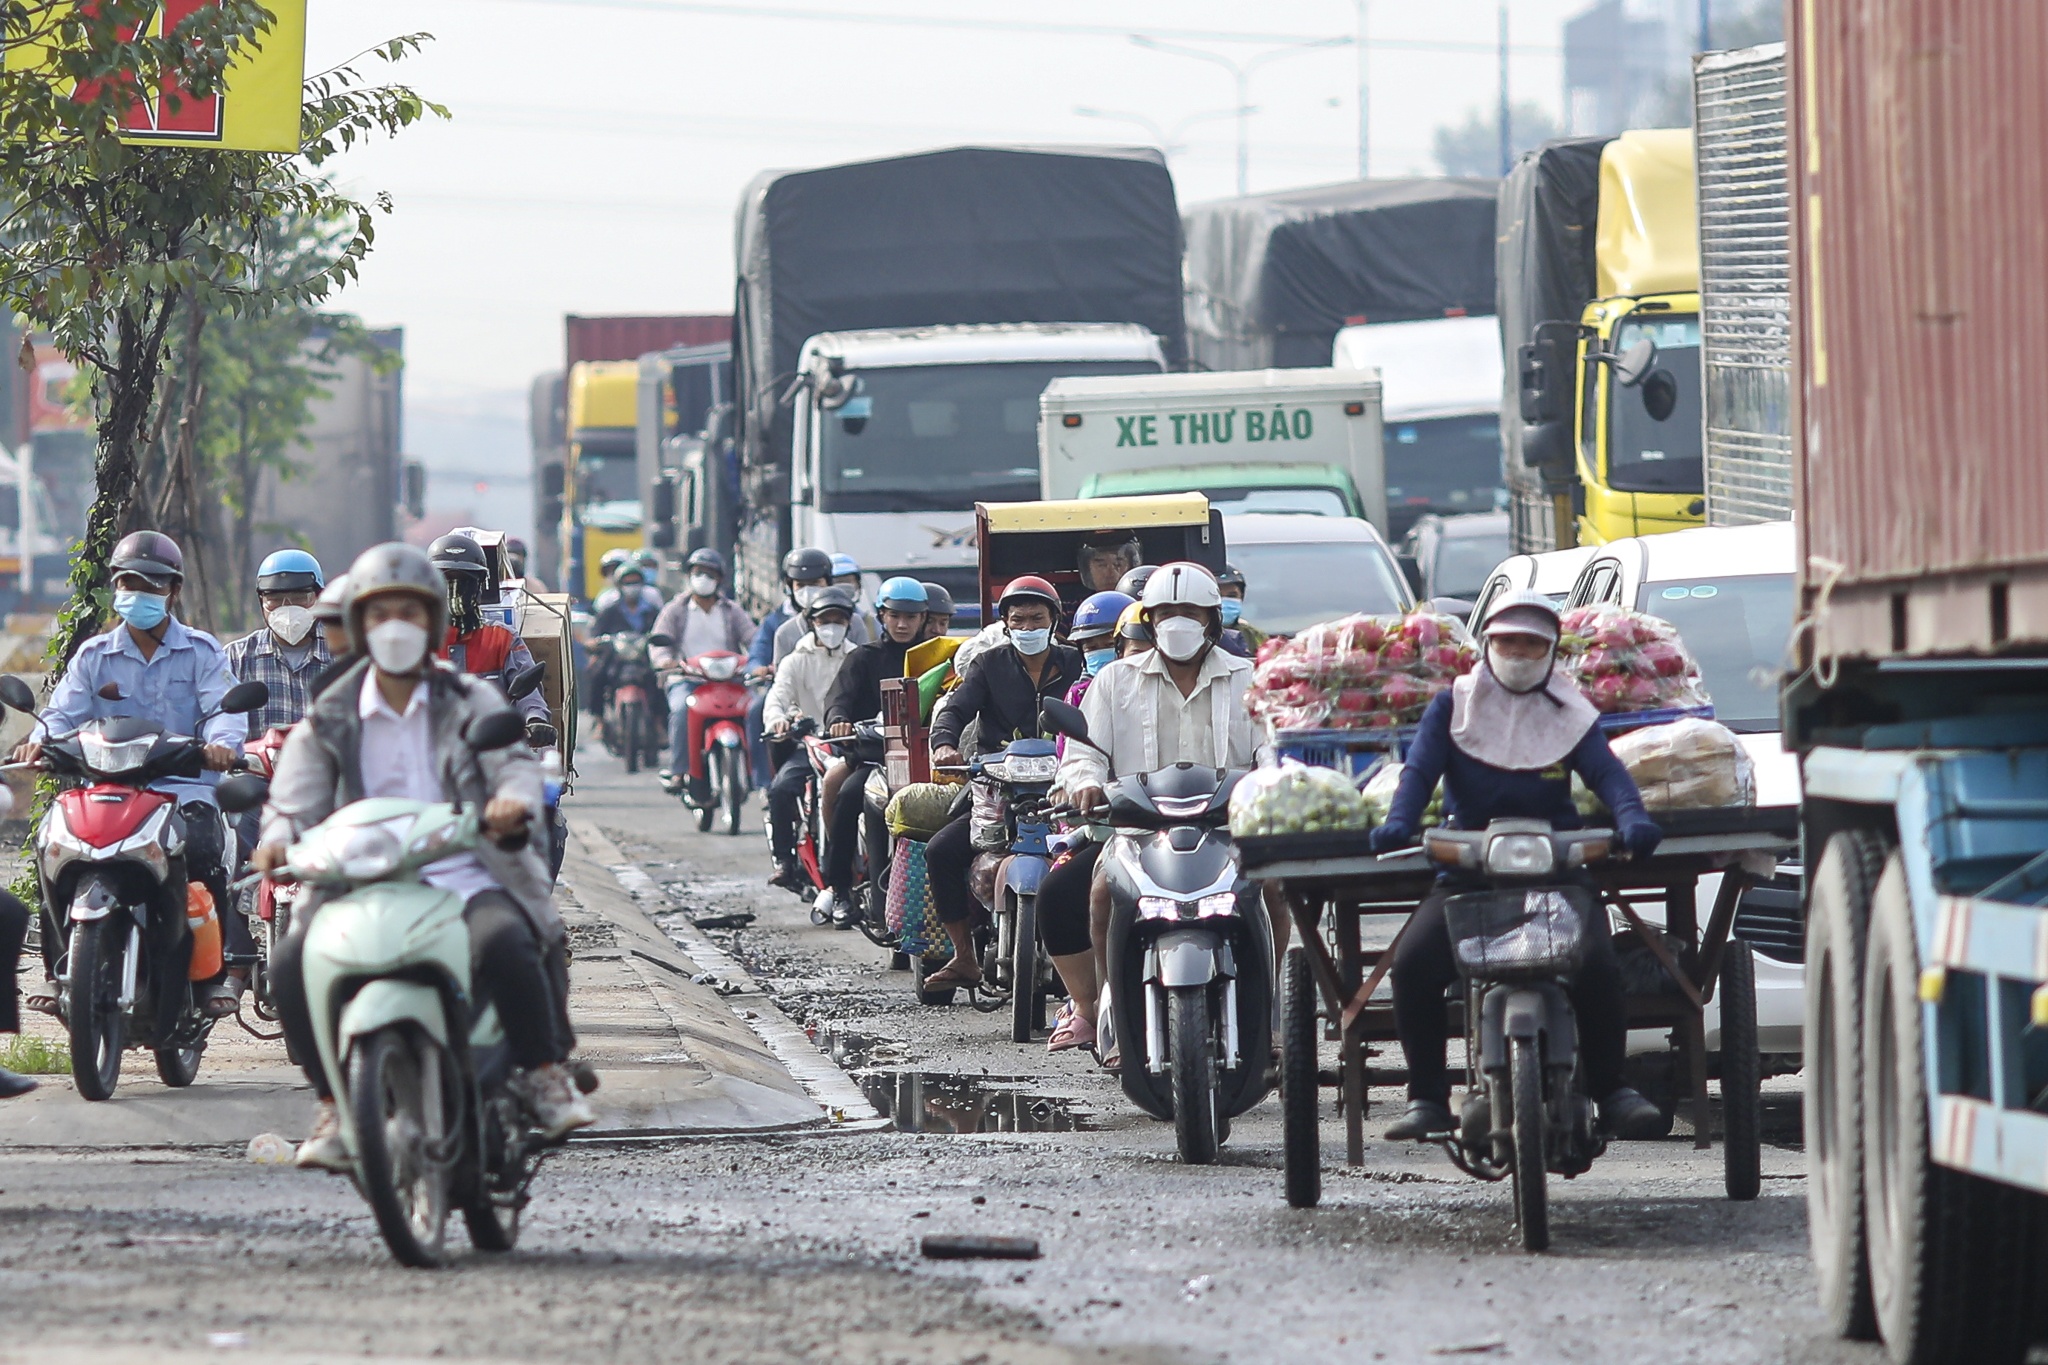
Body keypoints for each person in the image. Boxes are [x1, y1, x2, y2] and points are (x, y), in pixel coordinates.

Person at [256, 543, 593, 1171]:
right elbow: (293, 794)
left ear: (433, 622)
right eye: (379, 614)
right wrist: (277, 835)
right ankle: (333, 1102)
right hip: (357, 875)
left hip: (465, 872)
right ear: (359, 626)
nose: (394, 628)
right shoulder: (331, 712)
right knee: (292, 958)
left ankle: (544, 1072)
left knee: (510, 940)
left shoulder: (471, 700)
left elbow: (513, 766)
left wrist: (510, 805)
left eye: (408, 613)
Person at [1367, 589, 1666, 1142]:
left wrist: (1631, 817)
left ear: (1551, 652)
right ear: (1487, 646)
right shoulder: (1452, 705)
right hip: (1468, 870)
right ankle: (1428, 1098)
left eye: (1533, 645)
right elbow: (1419, 771)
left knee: (1599, 964)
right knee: (1412, 967)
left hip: (1556, 869)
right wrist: (1400, 820)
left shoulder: (1571, 712)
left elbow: (1607, 772)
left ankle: (1612, 1088)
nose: (1520, 653)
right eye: (1509, 643)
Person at [11, 531, 249, 1017]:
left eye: (152, 584)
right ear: (116, 587)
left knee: (205, 852)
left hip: (184, 793)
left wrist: (223, 747)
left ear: (173, 592)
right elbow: (61, 715)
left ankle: (211, 975)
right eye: (129, 582)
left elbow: (225, 711)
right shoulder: (93, 656)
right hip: (105, 790)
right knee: (52, 849)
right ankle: (61, 969)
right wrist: (40, 740)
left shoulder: (202, 652)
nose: (138, 593)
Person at [1043, 564, 1260, 1051]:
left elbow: (1271, 748)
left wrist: (1270, 778)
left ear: (1211, 619)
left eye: (1189, 612)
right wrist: (1085, 786)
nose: (1177, 622)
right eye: (1166, 613)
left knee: (1277, 895)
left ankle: (1268, 1016)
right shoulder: (1115, 681)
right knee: (1100, 893)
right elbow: (1084, 755)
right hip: (1137, 834)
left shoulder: (1249, 679)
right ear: (1150, 619)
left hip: (1230, 833)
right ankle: (1112, 1009)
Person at [921, 576, 1084, 991]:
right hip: (997, 787)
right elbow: (954, 711)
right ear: (1006, 626)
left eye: (1036, 619)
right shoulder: (988, 665)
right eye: (1019, 621)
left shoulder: (1076, 663)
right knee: (941, 851)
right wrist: (943, 744)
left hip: (1064, 786)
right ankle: (963, 956)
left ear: (1054, 622)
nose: (1028, 627)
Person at [811, 577, 929, 925]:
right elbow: (838, 699)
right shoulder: (863, 658)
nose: (903, 623)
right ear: (881, 616)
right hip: (873, 758)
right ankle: (841, 888)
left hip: (926, 761)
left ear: (924, 618)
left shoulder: (935, 657)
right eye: (895, 616)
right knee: (847, 797)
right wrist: (839, 721)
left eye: (911, 616)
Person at [762, 586, 859, 890]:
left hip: (849, 745)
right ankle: (784, 861)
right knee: (780, 790)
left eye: (839, 620)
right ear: (811, 623)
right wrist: (779, 720)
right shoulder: (796, 660)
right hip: (809, 744)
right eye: (824, 620)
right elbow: (777, 697)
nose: (832, 627)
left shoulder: (857, 657)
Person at [649, 548, 755, 796]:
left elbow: (753, 638)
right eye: (698, 573)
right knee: (680, 709)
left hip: (729, 679)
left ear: (719, 579)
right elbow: (658, 642)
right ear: (689, 576)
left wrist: (758, 661)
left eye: (709, 574)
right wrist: (665, 661)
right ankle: (679, 770)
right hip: (688, 678)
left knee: (756, 708)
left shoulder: (732, 610)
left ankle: (756, 772)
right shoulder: (675, 609)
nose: (703, 578)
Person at [747, 548, 835, 787]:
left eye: (815, 583)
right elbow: (763, 657)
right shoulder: (779, 625)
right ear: (789, 586)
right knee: (758, 711)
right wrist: (758, 668)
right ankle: (766, 782)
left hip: (837, 707)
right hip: (794, 701)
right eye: (801, 584)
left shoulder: (852, 620)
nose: (808, 591)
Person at [225, 549, 332, 737]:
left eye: (300, 598)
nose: (288, 608)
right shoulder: (236, 658)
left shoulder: (341, 654)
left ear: (319, 598)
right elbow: (219, 723)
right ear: (261, 601)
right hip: (255, 766)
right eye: (274, 599)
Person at [1061, 590, 1133, 714]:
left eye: (1109, 645)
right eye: (1092, 648)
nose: (1100, 652)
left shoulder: (1153, 686)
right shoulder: (1078, 695)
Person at [1215, 562, 1266, 657]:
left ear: (1241, 597)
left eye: (1232, 596)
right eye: (1218, 595)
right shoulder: (1194, 635)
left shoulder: (1252, 635)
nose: (1224, 601)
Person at [1076, 531, 1141, 597]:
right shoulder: (1078, 606)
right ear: (1088, 568)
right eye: (1101, 565)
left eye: (1118, 564)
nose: (1110, 574)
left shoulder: (1144, 604)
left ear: (1130, 566)